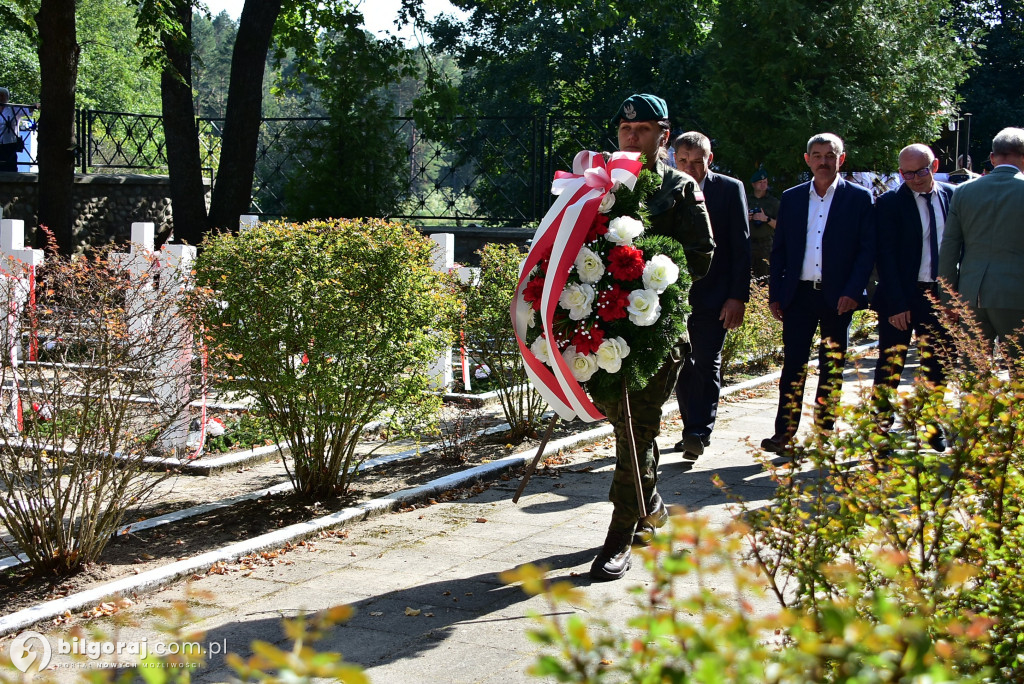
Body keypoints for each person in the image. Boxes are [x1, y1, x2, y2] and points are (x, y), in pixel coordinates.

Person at [589, 94, 714, 581]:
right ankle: (652, 505)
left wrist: (651, 274)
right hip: (601, 330)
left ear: (664, 136)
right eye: (626, 129)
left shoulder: (679, 188)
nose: (632, 137)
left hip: (655, 333)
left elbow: (701, 257)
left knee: (636, 431)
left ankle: (618, 540)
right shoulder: (600, 184)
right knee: (625, 430)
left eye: (643, 130)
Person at [760, 133, 875, 453]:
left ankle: (824, 432)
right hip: (798, 295)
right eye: (817, 155)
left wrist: (854, 291)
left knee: (832, 366)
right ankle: (783, 432)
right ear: (807, 159)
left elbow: (868, 251)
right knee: (793, 366)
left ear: (842, 158)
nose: (824, 161)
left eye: (830, 155)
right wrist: (775, 293)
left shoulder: (860, 198)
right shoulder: (793, 197)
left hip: (840, 298)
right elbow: (779, 249)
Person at [671, 132, 750, 460]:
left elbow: (741, 246)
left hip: (716, 295)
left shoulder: (730, 189)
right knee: (681, 365)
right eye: (682, 161)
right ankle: (689, 427)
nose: (689, 168)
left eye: (697, 162)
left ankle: (699, 432)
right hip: (674, 294)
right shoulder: (666, 188)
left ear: (710, 159)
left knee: (706, 360)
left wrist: (737, 297)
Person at [872, 144, 954, 449]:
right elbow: (885, 257)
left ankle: (932, 425)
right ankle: (880, 428)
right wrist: (896, 303)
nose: (914, 178)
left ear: (934, 167)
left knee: (937, 364)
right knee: (891, 364)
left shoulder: (953, 196)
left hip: (940, 295)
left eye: (920, 171)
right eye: (906, 173)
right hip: (902, 295)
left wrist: (954, 299)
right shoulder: (890, 203)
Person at [938, 127, 1024, 367]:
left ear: (993, 157)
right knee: (1020, 374)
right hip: (1017, 295)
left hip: (970, 293)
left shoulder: (964, 191)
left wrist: (947, 299)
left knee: (973, 374)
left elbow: (949, 249)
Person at [747, 167, 779, 278]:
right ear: (753, 184)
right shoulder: (745, 200)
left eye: (765, 182)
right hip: (748, 243)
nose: (763, 185)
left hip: (766, 245)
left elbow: (781, 227)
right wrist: (745, 217)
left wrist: (766, 219)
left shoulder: (773, 203)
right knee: (747, 276)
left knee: (766, 277)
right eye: (760, 182)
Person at [0, 88, 38, 172]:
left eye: (3, 95)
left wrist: (35, 105)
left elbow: (28, 110)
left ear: (7, 97)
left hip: (9, 143)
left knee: (10, 167)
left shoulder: (13, 109)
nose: (1, 98)